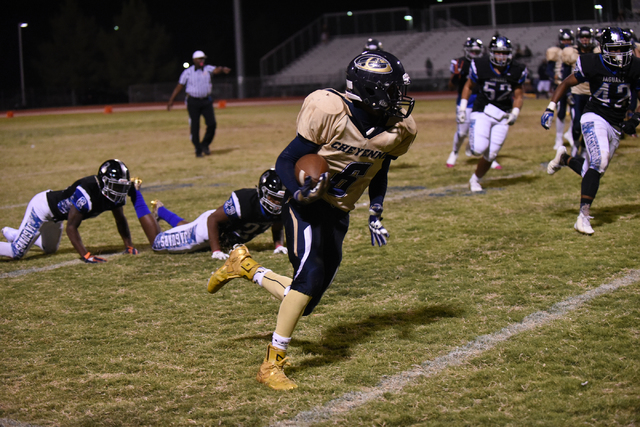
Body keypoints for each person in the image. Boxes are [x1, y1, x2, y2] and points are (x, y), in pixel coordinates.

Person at [206, 50, 417, 390]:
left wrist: (376, 210)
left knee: (304, 300)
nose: (399, 99)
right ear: (371, 90)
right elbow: (286, 159)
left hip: (339, 212)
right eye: (392, 91)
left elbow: (380, 167)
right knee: (310, 276)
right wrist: (299, 193)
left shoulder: (397, 129)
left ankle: (244, 267)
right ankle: (271, 364)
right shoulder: (331, 111)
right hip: (305, 206)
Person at [542, 27, 640, 235]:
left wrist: (636, 119)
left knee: (592, 171)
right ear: (604, 50)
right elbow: (567, 82)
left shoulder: (635, 66)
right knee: (599, 161)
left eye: (623, 49)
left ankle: (565, 160)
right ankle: (583, 217)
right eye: (615, 50)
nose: (620, 55)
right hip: (594, 116)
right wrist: (551, 107)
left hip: (615, 123)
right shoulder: (592, 62)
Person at [0, 159, 138, 262]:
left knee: (50, 249)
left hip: (56, 217)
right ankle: (18, 239)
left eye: (121, 187)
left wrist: (129, 246)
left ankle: (14, 234)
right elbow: (71, 227)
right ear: (103, 182)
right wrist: (86, 256)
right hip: (42, 208)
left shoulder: (113, 196)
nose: (118, 192)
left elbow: (120, 220)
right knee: (16, 253)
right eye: (115, 186)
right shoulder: (86, 193)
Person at [129, 170, 287, 257]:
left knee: (189, 227)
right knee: (157, 243)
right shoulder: (245, 201)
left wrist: (278, 245)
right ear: (262, 193)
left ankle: (160, 210)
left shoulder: (281, 206)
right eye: (274, 198)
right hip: (208, 230)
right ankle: (135, 193)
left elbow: (277, 223)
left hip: (220, 232)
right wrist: (216, 250)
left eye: (281, 198)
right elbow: (212, 220)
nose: (277, 202)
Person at [457, 35, 527, 192]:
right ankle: (474, 143)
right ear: (491, 53)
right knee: (478, 149)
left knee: (492, 153)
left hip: (502, 114)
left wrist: (515, 113)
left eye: (504, 53)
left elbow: (519, 95)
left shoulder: (517, 69)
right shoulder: (480, 65)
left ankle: (475, 180)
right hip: (482, 110)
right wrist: (462, 108)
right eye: (497, 53)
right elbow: (468, 86)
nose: (501, 56)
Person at [167, 50, 232, 158]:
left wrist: (222, 69)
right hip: (193, 101)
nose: (202, 61)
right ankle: (198, 149)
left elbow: (216, 70)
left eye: (203, 59)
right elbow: (180, 86)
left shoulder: (208, 68)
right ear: (194, 60)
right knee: (195, 126)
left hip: (206, 101)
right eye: (199, 59)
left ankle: (205, 144)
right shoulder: (188, 72)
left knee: (212, 124)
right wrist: (171, 100)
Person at [561, 27, 599, 156]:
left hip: (593, 93)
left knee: (590, 125)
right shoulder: (571, 53)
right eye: (583, 37)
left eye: (587, 37)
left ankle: (584, 147)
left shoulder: (597, 52)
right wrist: (567, 93)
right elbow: (565, 76)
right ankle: (576, 143)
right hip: (577, 92)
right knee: (577, 124)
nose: (585, 40)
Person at [546, 28, 575, 149]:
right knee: (561, 112)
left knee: (575, 112)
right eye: (564, 40)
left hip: (574, 86)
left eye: (568, 40)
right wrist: (554, 76)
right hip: (560, 85)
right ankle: (558, 139)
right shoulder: (556, 52)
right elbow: (549, 68)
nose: (566, 42)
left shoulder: (575, 51)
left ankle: (571, 134)